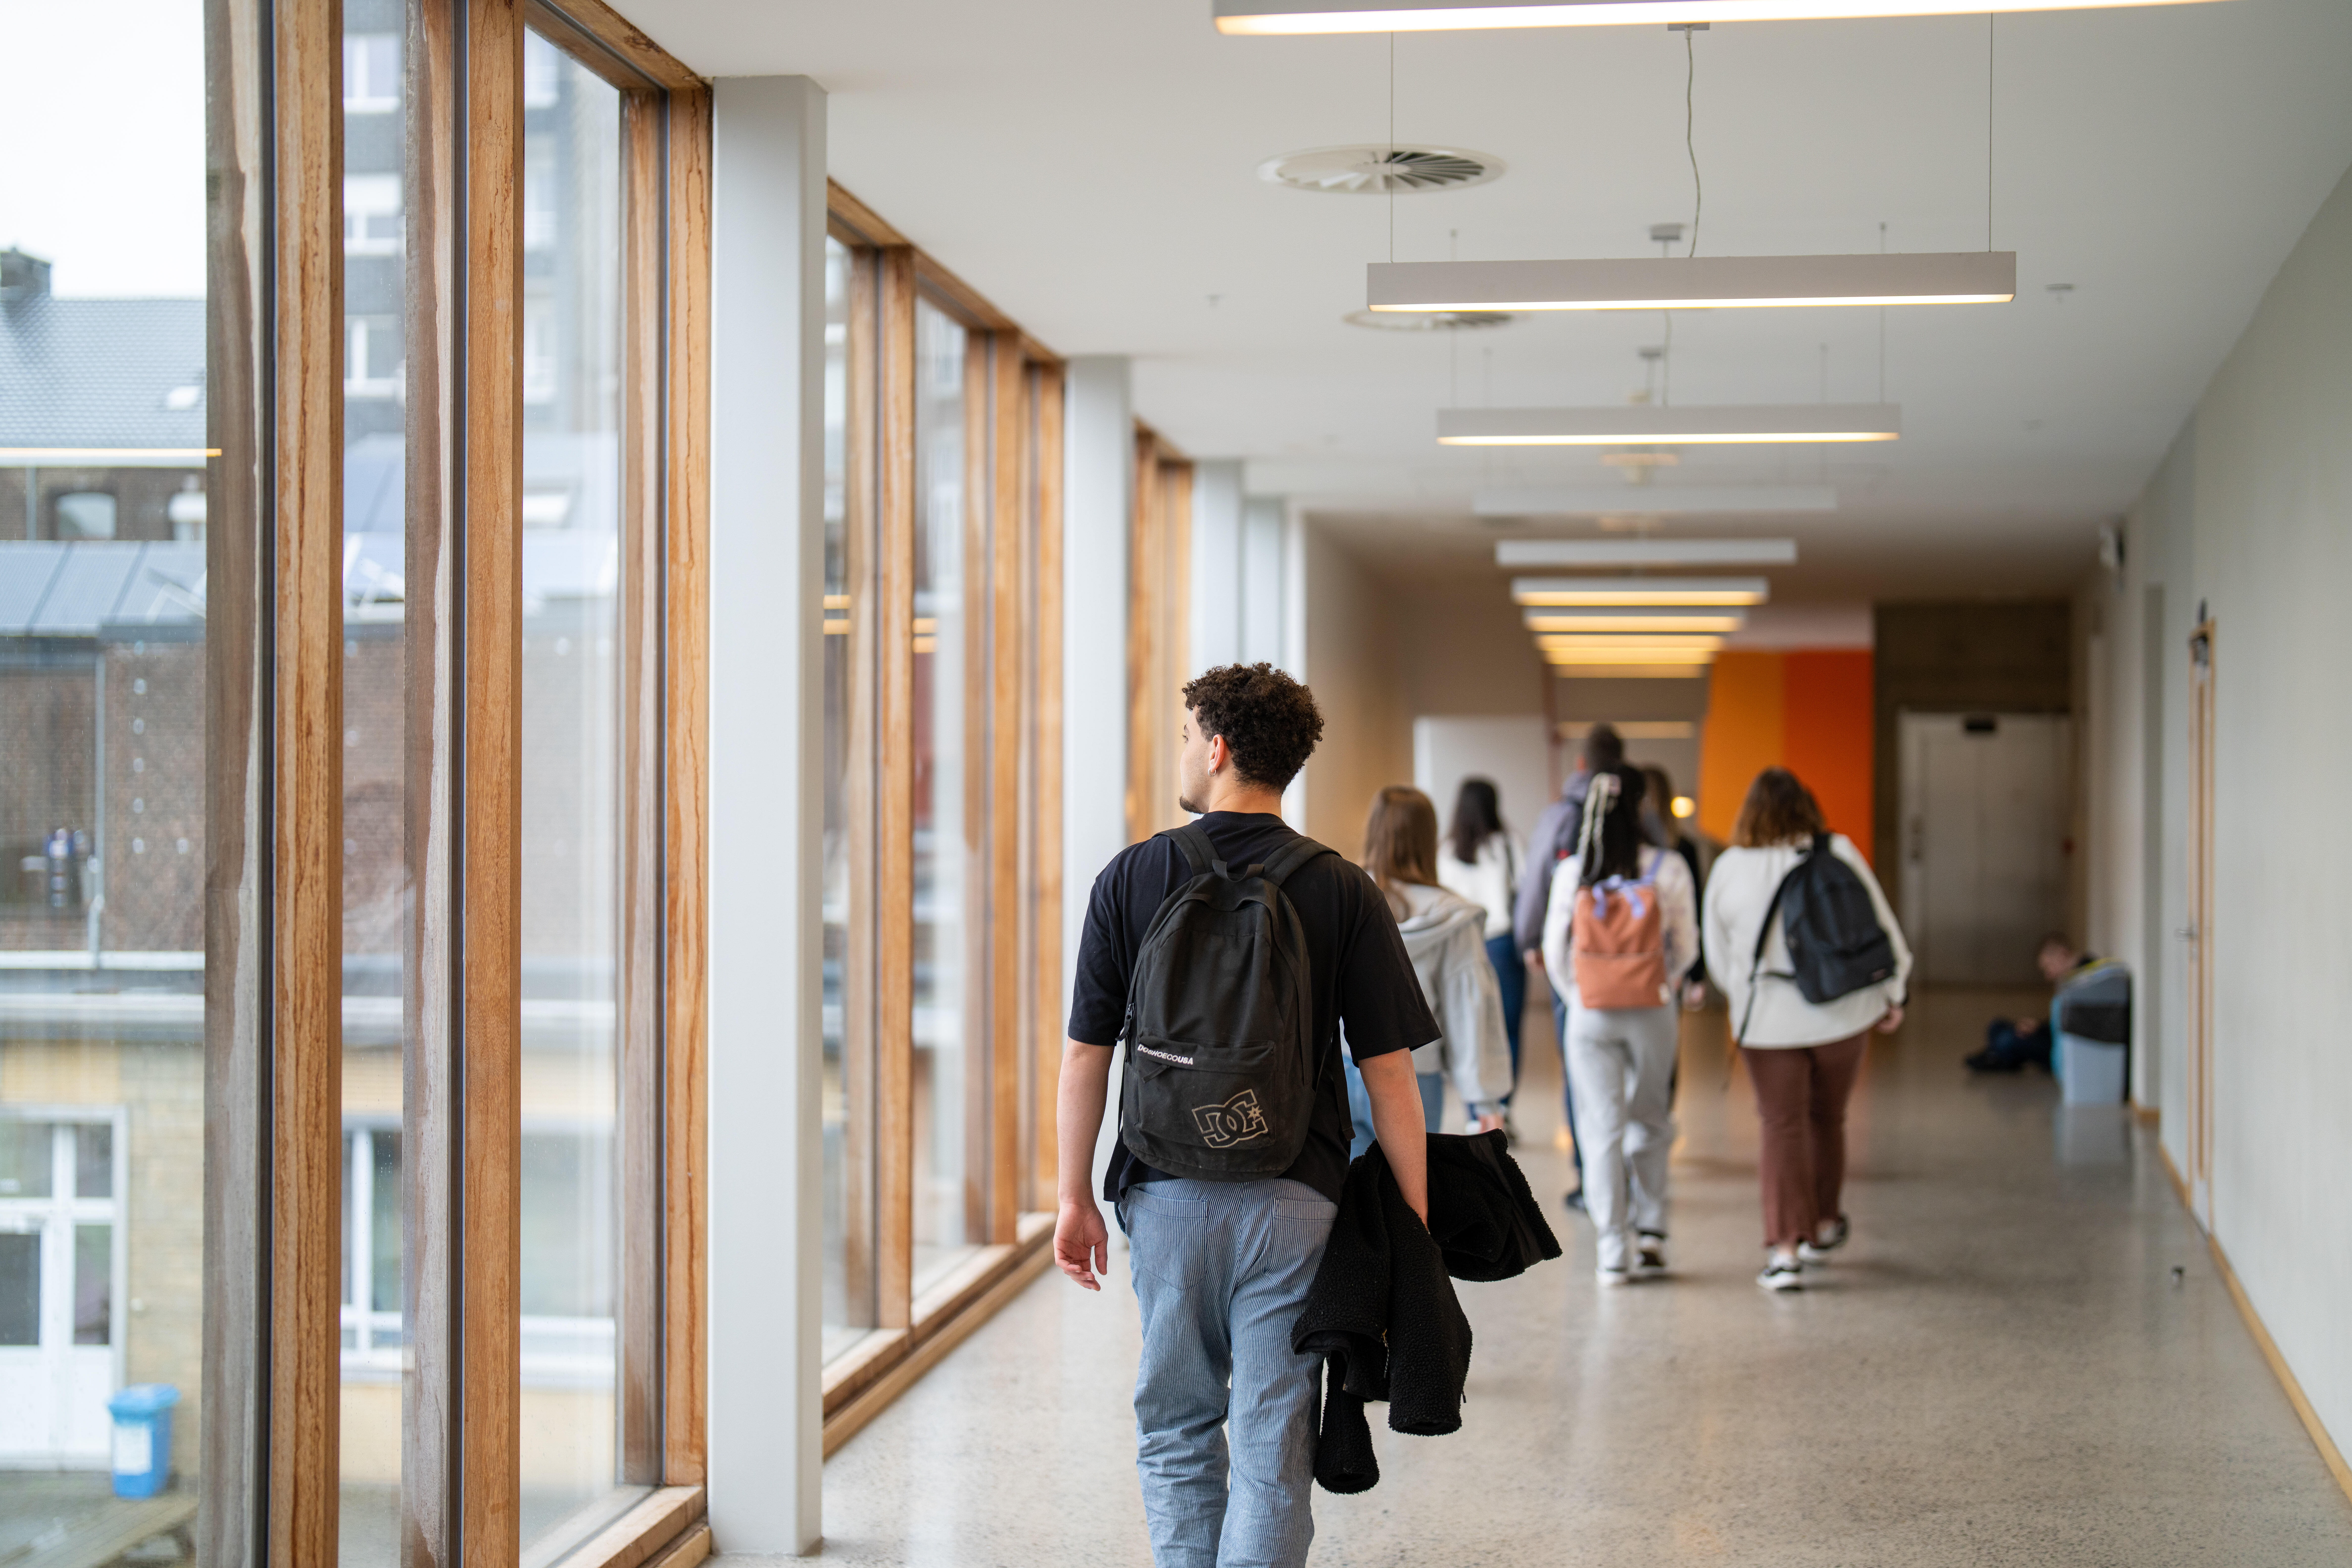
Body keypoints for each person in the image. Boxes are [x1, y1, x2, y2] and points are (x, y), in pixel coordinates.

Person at [1054, 662, 1439, 1568]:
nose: (1185, 753)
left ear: (1219, 747)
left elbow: (1086, 1055)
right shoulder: (1344, 890)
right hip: (1295, 1196)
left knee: (1179, 1419)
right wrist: (1412, 1225)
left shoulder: (1132, 877)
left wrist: (1073, 1195)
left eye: (1189, 736)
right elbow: (1390, 1076)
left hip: (1165, 1190)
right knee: (1274, 1438)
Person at [1702, 767, 1911, 1293]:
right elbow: (1882, 927)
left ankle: (1785, 1250)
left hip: (1768, 1021)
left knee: (1781, 1125)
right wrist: (1894, 991)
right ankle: (1821, 1226)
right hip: (1842, 1012)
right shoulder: (1836, 851)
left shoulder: (1731, 867)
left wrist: (1744, 997)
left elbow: (1718, 952)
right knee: (1828, 1118)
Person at [1540, 764, 1697, 1285]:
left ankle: (1613, 1250)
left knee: (1600, 1128)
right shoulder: (1668, 867)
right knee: (1651, 1118)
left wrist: (1580, 995)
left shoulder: (1573, 870)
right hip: (1653, 1011)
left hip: (1591, 1014)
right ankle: (1652, 1230)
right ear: (1641, 809)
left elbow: (1554, 949)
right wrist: (1660, 986)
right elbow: (1687, 947)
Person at [1345, 785, 1514, 1154]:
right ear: (1428, 839)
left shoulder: (1344, 898)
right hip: (1414, 1076)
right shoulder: (1452, 916)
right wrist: (1485, 1101)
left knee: (1347, 1200)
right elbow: (1469, 1009)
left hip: (1340, 1071)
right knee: (1406, 1200)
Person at [1512, 722, 1626, 1208]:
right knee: (1633, 1071)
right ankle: (1629, 1179)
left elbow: (1538, 878)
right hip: (1635, 962)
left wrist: (1531, 939)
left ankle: (1589, 1178)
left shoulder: (1562, 814)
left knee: (1582, 1069)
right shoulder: (1636, 813)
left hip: (1578, 965)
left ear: (1581, 763)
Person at [1436, 776, 1525, 1104]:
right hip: (1502, 944)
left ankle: (1476, 1110)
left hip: (1459, 944)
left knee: (1467, 1030)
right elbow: (1526, 893)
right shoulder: (1509, 845)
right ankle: (1502, 1108)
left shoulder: (1445, 852)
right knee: (1508, 1030)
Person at [1966, 934, 2098, 1073]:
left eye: (2048, 967)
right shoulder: (2072, 979)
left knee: (2007, 1040)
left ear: (2062, 954)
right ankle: (1999, 1056)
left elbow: (2072, 1027)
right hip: (2056, 1037)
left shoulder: (2085, 979)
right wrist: (2038, 1026)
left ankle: (1998, 1057)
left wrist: (2040, 1029)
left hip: (2062, 1048)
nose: (2048, 976)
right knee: (1996, 1026)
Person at [1640, 763, 1709, 1009]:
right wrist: (1695, 973)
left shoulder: (1623, 852)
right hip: (1667, 969)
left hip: (1624, 964)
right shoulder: (1683, 850)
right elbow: (1695, 913)